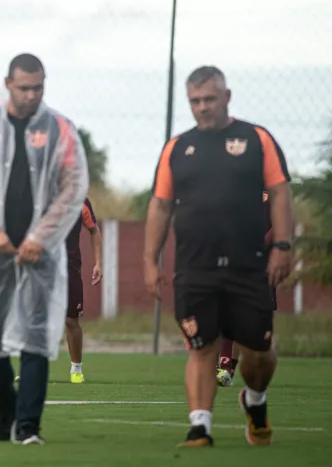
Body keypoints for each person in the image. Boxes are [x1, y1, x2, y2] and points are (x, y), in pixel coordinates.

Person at [144, 65, 292, 447]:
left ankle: (255, 400)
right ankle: (200, 427)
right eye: (195, 101)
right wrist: (149, 260)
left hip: (249, 266)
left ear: (227, 97)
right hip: (195, 267)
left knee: (258, 353)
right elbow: (160, 206)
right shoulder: (177, 148)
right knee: (201, 347)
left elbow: (279, 194)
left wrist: (282, 246)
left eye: (209, 99)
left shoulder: (257, 139)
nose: (202, 107)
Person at [0, 54, 88, 443]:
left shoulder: (60, 129)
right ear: (7, 83)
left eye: (38, 87)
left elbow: (73, 187)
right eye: (24, 87)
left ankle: (27, 426)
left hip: (40, 253)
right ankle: (4, 409)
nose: (31, 95)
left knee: (37, 334)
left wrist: (41, 236)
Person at [217, 190, 274, 388]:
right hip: (234, 260)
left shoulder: (275, 189)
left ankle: (253, 368)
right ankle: (225, 367)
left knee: (255, 322)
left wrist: (259, 246)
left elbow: (281, 224)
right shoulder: (234, 185)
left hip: (262, 264)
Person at [64, 197, 102, 383]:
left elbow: (94, 231)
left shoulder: (81, 201)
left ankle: (76, 369)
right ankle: (31, 369)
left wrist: (98, 263)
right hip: (42, 268)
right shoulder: (40, 194)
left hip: (70, 268)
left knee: (71, 320)